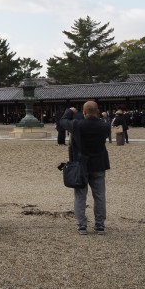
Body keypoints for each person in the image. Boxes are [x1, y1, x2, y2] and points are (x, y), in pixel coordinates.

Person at [59, 101, 111, 235]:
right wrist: (104, 117)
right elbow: (106, 123)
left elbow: (63, 121)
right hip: (98, 164)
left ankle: (82, 224)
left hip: (80, 165)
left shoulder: (77, 125)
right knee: (99, 196)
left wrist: (69, 111)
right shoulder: (104, 125)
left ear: (84, 112)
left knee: (80, 196)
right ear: (97, 111)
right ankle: (99, 224)